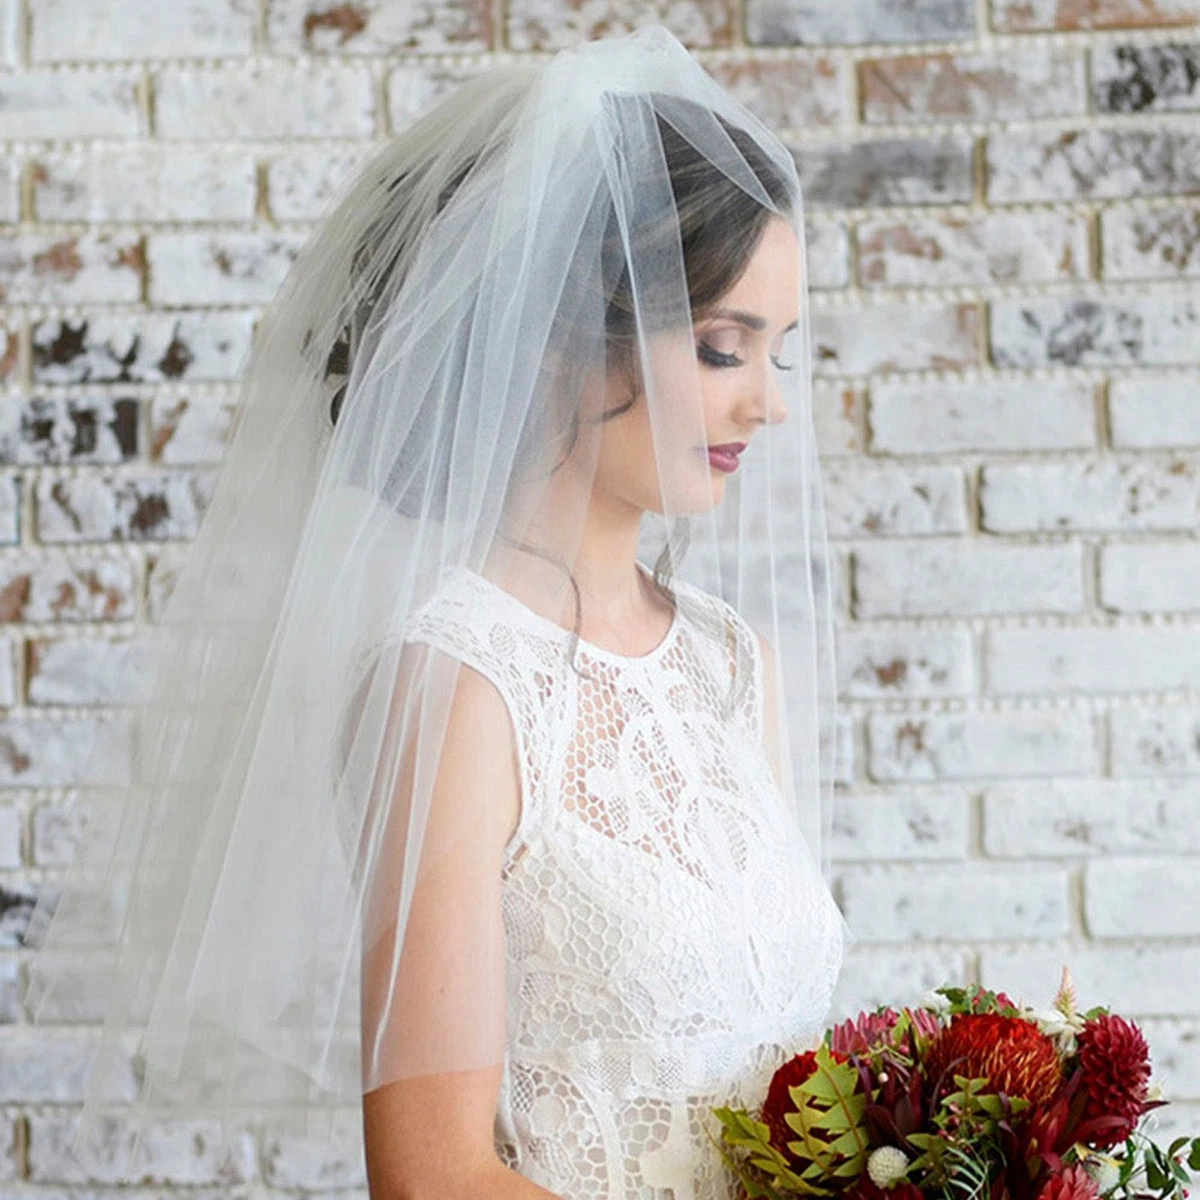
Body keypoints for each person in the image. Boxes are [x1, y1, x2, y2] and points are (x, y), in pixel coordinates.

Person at [22, 24, 851, 1200]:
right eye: (723, 348)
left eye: (782, 353)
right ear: (563, 340)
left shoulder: (734, 665)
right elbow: (432, 1176)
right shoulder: (455, 684)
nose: (768, 405)